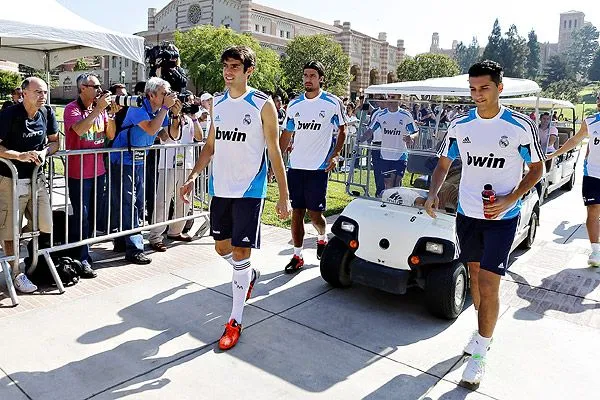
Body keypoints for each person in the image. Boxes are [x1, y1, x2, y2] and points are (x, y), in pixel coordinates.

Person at [425, 60, 544, 386]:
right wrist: (433, 193)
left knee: (490, 286)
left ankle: (479, 355)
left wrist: (512, 198)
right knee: (475, 280)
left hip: (502, 219)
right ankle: (482, 333)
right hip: (467, 216)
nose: (478, 94)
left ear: (499, 88)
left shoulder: (519, 127)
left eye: (484, 88)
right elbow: (442, 165)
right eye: (473, 89)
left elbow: (537, 169)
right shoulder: (460, 125)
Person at [180, 46, 291, 350]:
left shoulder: (262, 104)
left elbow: (274, 150)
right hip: (221, 188)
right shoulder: (218, 102)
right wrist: (192, 177)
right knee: (221, 248)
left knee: (240, 253)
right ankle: (250, 275)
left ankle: (235, 319)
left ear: (248, 71)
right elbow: (211, 145)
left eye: (234, 67)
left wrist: (284, 195)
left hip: (249, 191)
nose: (228, 72)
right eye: (225, 66)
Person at [279, 61, 347, 273]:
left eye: (312, 75)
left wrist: (335, 155)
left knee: (315, 215)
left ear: (320, 79)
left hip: (318, 169)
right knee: (297, 212)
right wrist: (277, 162)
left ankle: (321, 237)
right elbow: (286, 134)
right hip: (296, 167)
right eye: (305, 75)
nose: (308, 79)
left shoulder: (332, 102)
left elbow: (343, 131)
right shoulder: (294, 105)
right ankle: (297, 256)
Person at [109, 77, 180, 265]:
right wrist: (166, 108)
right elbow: (150, 129)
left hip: (139, 161)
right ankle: (134, 249)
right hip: (123, 160)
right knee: (128, 203)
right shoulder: (137, 108)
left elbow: (166, 135)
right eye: (164, 93)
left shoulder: (160, 110)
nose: (168, 96)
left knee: (137, 203)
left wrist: (175, 116)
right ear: (151, 94)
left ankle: (122, 241)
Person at [0, 77, 59, 293]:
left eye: (44, 92)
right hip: (10, 180)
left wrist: (44, 152)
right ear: (24, 93)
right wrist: (20, 155)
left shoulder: (47, 113)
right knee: (9, 230)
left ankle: (20, 245)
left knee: (45, 225)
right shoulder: (9, 115)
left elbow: (55, 142)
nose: (42, 96)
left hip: (37, 179)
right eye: (38, 92)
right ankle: (16, 273)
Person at [63, 73, 119, 277]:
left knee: (93, 215)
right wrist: (98, 109)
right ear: (82, 88)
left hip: (98, 171)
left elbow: (110, 135)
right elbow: (78, 130)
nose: (99, 90)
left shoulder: (101, 110)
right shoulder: (72, 109)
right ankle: (82, 258)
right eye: (95, 86)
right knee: (82, 217)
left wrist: (111, 115)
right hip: (78, 173)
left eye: (99, 87)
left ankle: (83, 250)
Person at [547, 92, 600, 266]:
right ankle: (596, 252)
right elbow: (575, 140)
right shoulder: (591, 122)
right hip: (593, 175)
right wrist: (555, 154)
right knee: (593, 210)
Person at [149, 92, 203, 251]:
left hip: (187, 163)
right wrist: (175, 117)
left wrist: (193, 117)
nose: (188, 103)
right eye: (186, 101)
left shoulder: (190, 119)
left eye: (191, 101)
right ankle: (155, 236)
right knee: (163, 201)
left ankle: (176, 231)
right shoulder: (164, 116)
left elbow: (199, 137)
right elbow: (167, 136)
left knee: (184, 199)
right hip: (167, 163)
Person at [362, 101, 418, 190]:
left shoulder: (405, 115)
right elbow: (370, 131)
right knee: (388, 182)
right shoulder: (380, 115)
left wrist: (410, 137)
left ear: (399, 99)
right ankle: (388, 201)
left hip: (400, 155)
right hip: (385, 155)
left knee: (396, 182)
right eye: (389, 98)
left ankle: (394, 201)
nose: (390, 101)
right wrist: (360, 140)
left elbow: (415, 132)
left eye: (394, 98)